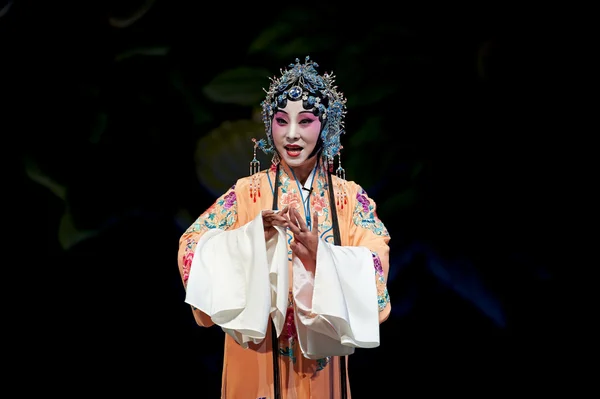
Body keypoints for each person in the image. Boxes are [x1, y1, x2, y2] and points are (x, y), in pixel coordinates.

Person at [177, 56, 391, 398]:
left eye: (305, 121)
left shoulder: (350, 199)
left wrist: (322, 259)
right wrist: (249, 241)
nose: (291, 134)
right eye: (281, 121)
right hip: (256, 357)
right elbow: (191, 246)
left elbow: (376, 265)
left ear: (327, 126)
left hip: (321, 365)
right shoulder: (247, 194)